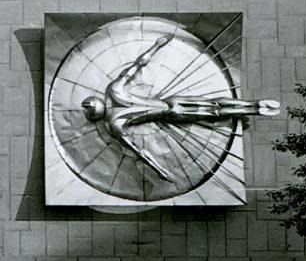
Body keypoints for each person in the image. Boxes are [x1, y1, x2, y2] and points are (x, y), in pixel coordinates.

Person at [79, 32, 280, 182]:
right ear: (97, 100)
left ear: (96, 116)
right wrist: (156, 45)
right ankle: (253, 105)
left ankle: (253, 109)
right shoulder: (114, 90)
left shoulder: (115, 125)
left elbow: (140, 152)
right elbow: (138, 64)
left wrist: (159, 170)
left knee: (213, 112)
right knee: (213, 104)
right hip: (171, 101)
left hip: (172, 114)